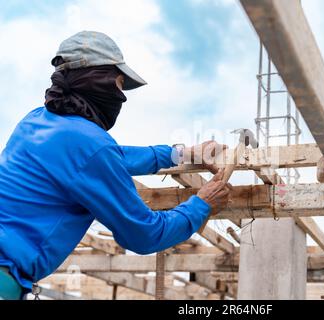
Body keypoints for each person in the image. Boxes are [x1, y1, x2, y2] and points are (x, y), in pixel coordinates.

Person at [0, 31, 230, 300]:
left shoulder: (36, 120)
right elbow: (145, 235)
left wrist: (181, 155)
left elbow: (108, 157)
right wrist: (201, 205)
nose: (122, 97)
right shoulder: (90, 147)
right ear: (98, 80)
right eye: (120, 84)